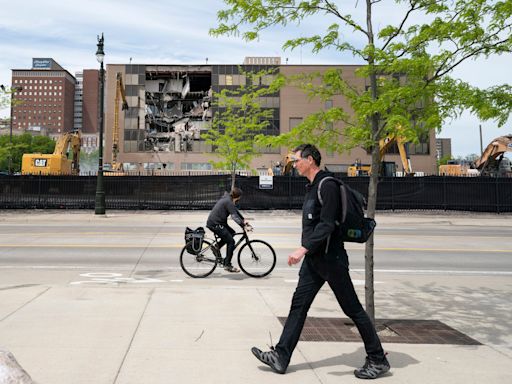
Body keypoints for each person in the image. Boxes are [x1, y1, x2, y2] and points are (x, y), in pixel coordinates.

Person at [251, 144, 390, 379]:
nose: (294, 164)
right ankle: (281, 356)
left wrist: (302, 249)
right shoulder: (313, 187)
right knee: (298, 306)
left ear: (310, 160)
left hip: (331, 259)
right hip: (315, 261)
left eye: (297, 160)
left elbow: (327, 224)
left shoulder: (328, 186)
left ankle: (377, 359)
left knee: (352, 309)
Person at [206, 187, 251, 273]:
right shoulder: (228, 201)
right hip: (215, 224)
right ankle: (227, 265)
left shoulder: (228, 199)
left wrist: (243, 220)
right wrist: (243, 225)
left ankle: (216, 247)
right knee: (231, 242)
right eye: (239, 198)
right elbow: (234, 216)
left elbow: (235, 211)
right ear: (237, 197)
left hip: (219, 222)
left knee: (232, 233)